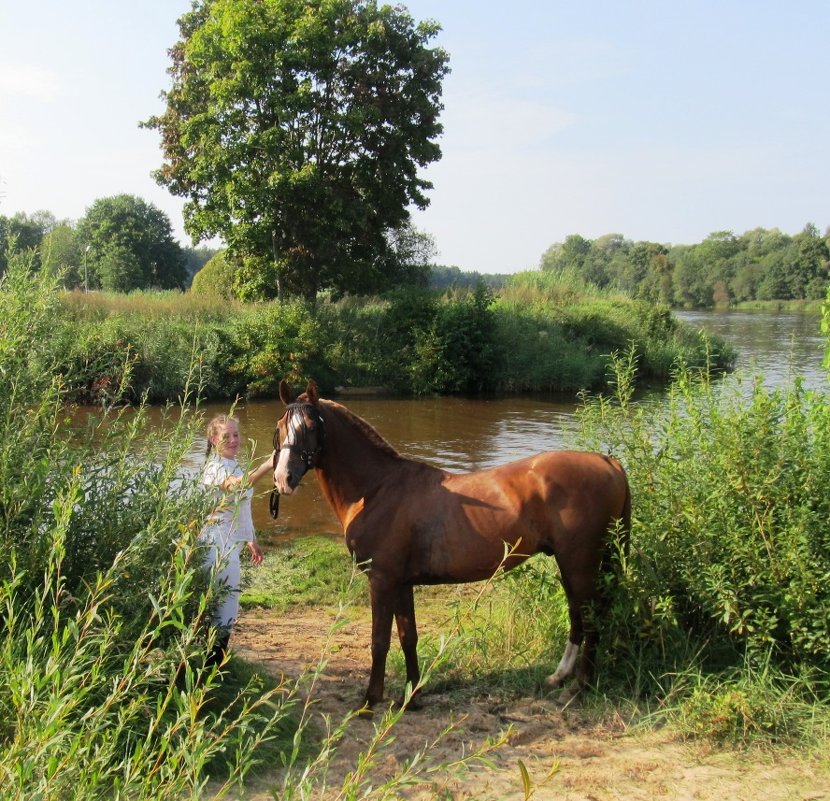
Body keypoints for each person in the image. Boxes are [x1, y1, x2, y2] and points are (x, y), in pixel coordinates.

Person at [199, 414, 275, 668]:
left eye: (236, 435)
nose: (233, 440)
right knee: (226, 608)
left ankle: (212, 667)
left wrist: (251, 538)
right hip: (215, 544)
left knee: (226, 606)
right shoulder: (215, 467)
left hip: (228, 544)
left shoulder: (234, 464)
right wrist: (267, 465)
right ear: (213, 439)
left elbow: (241, 507)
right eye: (226, 436)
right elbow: (238, 489)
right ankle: (211, 670)